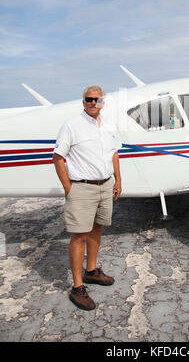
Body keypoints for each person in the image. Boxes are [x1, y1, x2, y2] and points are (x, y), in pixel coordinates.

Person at [53, 85, 122, 311]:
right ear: (83, 102)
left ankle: (91, 271)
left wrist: (118, 180)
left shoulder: (109, 125)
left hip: (105, 185)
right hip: (81, 187)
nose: (93, 103)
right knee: (79, 235)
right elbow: (58, 157)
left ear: (103, 101)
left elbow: (114, 153)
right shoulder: (72, 126)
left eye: (97, 99)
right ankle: (77, 287)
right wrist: (68, 188)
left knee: (97, 228)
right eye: (89, 99)